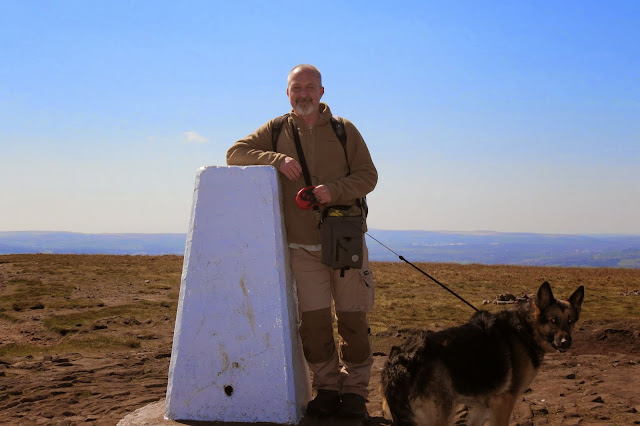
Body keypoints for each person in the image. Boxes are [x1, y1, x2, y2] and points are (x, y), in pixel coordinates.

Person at [226, 64, 378, 419]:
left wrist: (333, 191)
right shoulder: (276, 129)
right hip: (301, 248)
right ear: (288, 93)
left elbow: (368, 176)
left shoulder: (344, 130)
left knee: (353, 321)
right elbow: (234, 154)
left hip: (344, 241)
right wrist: (276, 159)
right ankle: (326, 388)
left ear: (322, 92)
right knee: (314, 325)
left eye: (310, 87)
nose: (304, 94)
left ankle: (355, 392)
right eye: (297, 88)